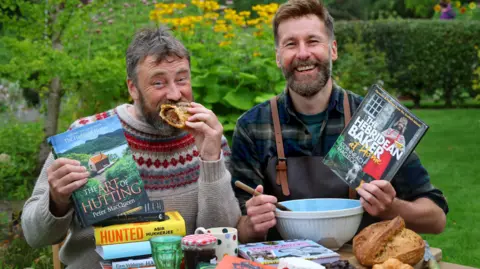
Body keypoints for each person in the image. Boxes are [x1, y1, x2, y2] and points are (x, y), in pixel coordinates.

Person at [21, 27, 241, 268]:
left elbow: (219, 240)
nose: (175, 94)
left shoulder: (207, 136)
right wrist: (57, 200)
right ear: (132, 88)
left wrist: (210, 160)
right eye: (158, 83)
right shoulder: (86, 136)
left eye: (181, 79)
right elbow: (35, 235)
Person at [231, 0, 448, 243]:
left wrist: (391, 207)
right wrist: (252, 223)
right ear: (278, 57)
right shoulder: (253, 126)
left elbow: (437, 218)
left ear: (333, 49)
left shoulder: (377, 121)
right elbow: (236, 226)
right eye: (291, 44)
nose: (303, 53)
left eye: (313, 41)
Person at [362, 116, 407, 181]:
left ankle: (372, 185)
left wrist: (396, 144)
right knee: (370, 167)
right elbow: (381, 134)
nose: (400, 125)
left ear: (404, 127)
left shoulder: (401, 138)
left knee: (378, 171)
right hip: (380, 151)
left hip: (387, 156)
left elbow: (403, 150)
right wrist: (390, 136)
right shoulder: (389, 130)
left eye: (403, 124)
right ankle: (361, 182)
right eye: (400, 122)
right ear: (397, 123)